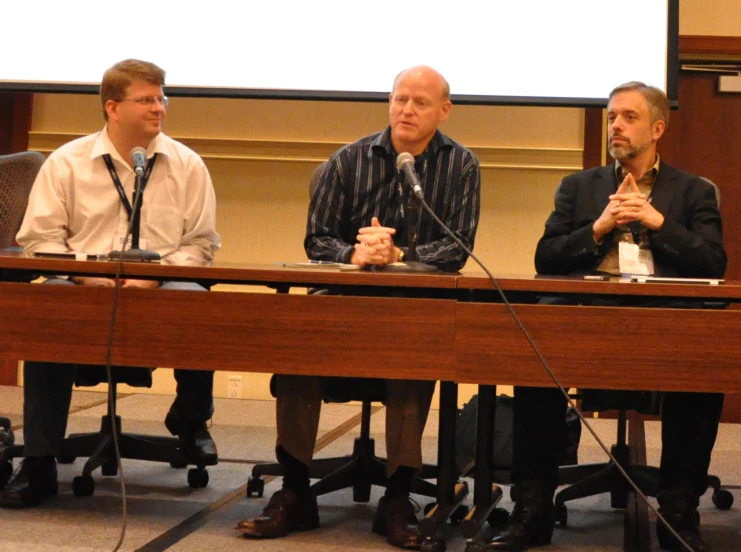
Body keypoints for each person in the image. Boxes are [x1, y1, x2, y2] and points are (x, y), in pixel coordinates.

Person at [236, 66, 480, 549]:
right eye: (399, 99)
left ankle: (397, 496)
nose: (406, 110)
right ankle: (296, 490)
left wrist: (399, 257)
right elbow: (316, 239)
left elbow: (458, 247)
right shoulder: (348, 160)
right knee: (298, 350)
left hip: (411, 310)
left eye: (420, 103)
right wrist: (355, 253)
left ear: (444, 111)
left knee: (413, 356)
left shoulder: (462, 166)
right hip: (344, 305)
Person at [481, 82, 726, 552]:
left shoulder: (694, 191)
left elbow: (713, 264)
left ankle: (677, 511)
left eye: (628, 117)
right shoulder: (579, 187)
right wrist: (599, 228)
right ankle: (533, 510)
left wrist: (657, 222)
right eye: (612, 116)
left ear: (657, 128)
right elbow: (546, 259)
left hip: (664, 318)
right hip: (586, 317)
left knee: (703, 360)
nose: (615, 125)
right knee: (534, 353)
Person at [0, 59, 221, 508]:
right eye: (146, 100)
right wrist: (84, 274)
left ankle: (191, 421)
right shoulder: (68, 162)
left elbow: (201, 243)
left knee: (199, 305)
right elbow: (39, 240)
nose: (158, 108)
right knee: (49, 307)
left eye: (162, 99)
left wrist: (156, 275)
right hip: (82, 283)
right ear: (113, 107)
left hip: (160, 283)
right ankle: (40, 460)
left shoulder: (187, 164)